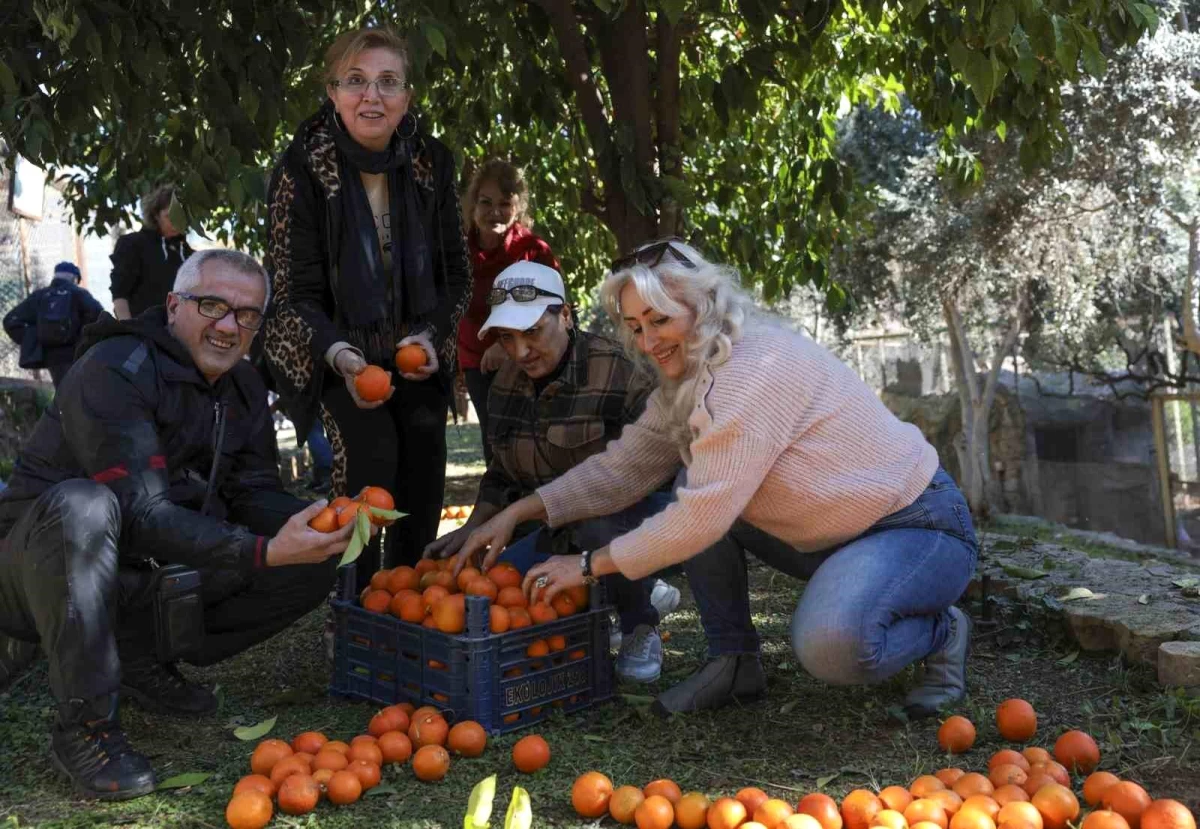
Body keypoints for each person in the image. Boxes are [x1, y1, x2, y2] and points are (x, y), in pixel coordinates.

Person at [458, 240, 978, 719]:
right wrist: (518, 512)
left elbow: (700, 517)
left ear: (703, 305)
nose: (647, 341)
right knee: (694, 477)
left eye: (659, 319)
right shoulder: (687, 380)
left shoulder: (751, 368)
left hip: (913, 524)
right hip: (831, 537)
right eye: (636, 326)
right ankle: (734, 662)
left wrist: (589, 565)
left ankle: (942, 629)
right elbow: (623, 469)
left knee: (831, 646)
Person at [0, 249, 356, 800]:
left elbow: (254, 491)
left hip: (139, 567)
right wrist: (262, 552)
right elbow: (140, 514)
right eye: (212, 305)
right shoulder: (115, 368)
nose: (228, 326)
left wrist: (320, 525)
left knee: (315, 559)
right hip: (35, 570)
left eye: (247, 315)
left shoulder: (242, 389)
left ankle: (142, 657)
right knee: (85, 506)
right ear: (173, 306)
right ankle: (86, 724)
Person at [262, 26, 470, 594]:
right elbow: (292, 290)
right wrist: (346, 360)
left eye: (387, 82)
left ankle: (408, 600)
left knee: (423, 471)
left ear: (406, 96)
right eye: (355, 81)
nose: (371, 96)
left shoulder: (434, 162)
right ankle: (353, 604)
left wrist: (429, 336)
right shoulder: (301, 167)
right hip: (330, 348)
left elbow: (456, 273)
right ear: (332, 91)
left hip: (414, 347)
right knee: (370, 469)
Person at [428, 261, 678, 681]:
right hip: (556, 529)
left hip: (636, 513)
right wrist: (472, 529)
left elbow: (642, 473)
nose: (520, 351)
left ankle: (639, 621)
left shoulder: (621, 370)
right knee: (509, 583)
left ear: (564, 314)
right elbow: (502, 476)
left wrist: (520, 513)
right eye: (507, 338)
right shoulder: (506, 383)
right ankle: (625, 589)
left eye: (532, 332)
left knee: (595, 526)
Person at [457, 159, 560, 463]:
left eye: (505, 203)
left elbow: (555, 307)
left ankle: (537, 509)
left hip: (528, 360)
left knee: (530, 441)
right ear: (473, 204)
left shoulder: (533, 250)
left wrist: (506, 344)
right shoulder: (456, 251)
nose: (495, 212)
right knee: (495, 444)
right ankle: (502, 508)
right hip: (476, 364)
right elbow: (447, 308)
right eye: (486, 202)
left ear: (519, 207)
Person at [3, 261, 104, 387]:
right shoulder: (78, 293)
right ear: (74, 278)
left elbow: (10, 321)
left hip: (51, 356)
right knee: (81, 392)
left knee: (63, 393)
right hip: (76, 353)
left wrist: (34, 338)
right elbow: (99, 316)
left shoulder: (39, 296)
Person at [110, 185, 192, 319]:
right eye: (169, 216)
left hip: (179, 334)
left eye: (180, 216)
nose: (175, 222)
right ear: (156, 215)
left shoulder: (190, 255)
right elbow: (120, 293)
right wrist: (127, 330)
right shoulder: (133, 244)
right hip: (142, 331)